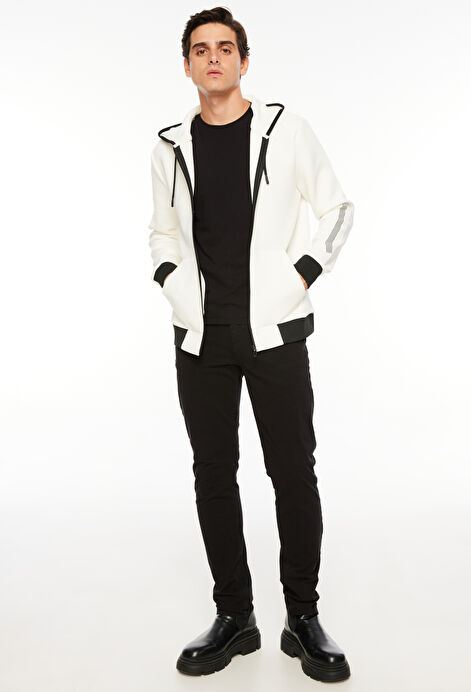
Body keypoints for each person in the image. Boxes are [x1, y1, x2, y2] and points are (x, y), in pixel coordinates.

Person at [148, 7, 354, 683]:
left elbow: (337, 209)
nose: (213, 58)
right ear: (187, 65)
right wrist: (170, 281)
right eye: (200, 49)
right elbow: (161, 232)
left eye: (225, 47)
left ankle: (303, 618)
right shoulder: (169, 146)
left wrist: (303, 274)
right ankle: (234, 616)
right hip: (201, 336)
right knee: (213, 474)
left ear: (243, 60)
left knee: (292, 472)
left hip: (274, 332)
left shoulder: (285, 130)